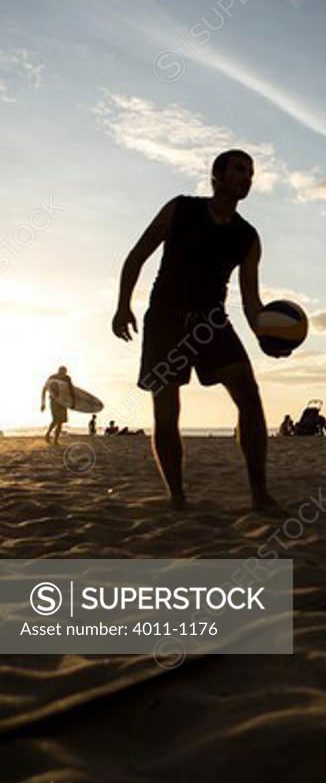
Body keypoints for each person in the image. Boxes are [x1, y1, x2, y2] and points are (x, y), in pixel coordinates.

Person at [112, 149, 289, 513]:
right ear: (217, 175)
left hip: (212, 323)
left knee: (250, 399)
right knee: (166, 410)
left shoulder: (247, 237)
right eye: (240, 169)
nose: (247, 177)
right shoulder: (181, 209)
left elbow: (252, 301)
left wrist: (265, 337)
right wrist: (122, 305)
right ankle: (177, 498)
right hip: (165, 319)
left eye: (251, 172)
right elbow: (137, 254)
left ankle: (260, 494)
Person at [40, 366, 75, 447]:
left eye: (64, 372)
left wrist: (73, 403)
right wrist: (43, 403)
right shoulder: (52, 377)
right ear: (58, 371)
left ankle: (55, 440)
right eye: (61, 372)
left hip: (63, 402)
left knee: (61, 422)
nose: (63, 374)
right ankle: (48, 434)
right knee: (56, 419)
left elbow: (71, 390)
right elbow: (44, 389)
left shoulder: (67, 378)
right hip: (54, 401)